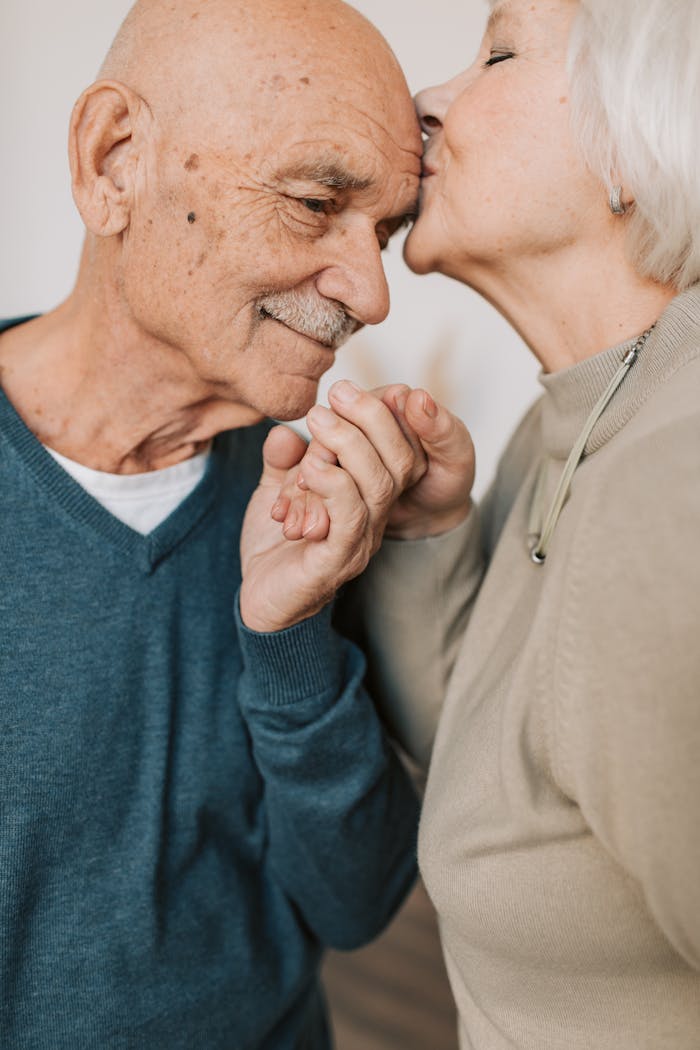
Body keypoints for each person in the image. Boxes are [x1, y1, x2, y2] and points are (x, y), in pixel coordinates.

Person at [0, 0, 435, 1045]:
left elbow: (354, 902)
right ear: (115, 161)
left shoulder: (316, 506)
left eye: (383, 231)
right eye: (312, 201)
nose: (372, 292)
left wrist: (288, 638)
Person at [279, 0, 700, 1046]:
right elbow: (518, 791)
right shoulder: (571, 421)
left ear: (639, 139)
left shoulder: (672, 490)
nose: (426, 100)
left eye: (499, 53)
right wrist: (430, 537)